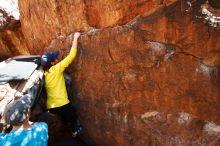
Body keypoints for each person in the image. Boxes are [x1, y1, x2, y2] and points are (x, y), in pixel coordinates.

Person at [41, 32, 82, 137]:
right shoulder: (56, 69)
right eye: (55, 58)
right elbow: (71, 56)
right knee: (72, 113)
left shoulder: (44, 73)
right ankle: (75, 131)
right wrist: (76, 38)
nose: (58, 58)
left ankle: (64, 125)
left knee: (64, 116)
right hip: (63, 104)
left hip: (51, 107)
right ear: (53, 63)